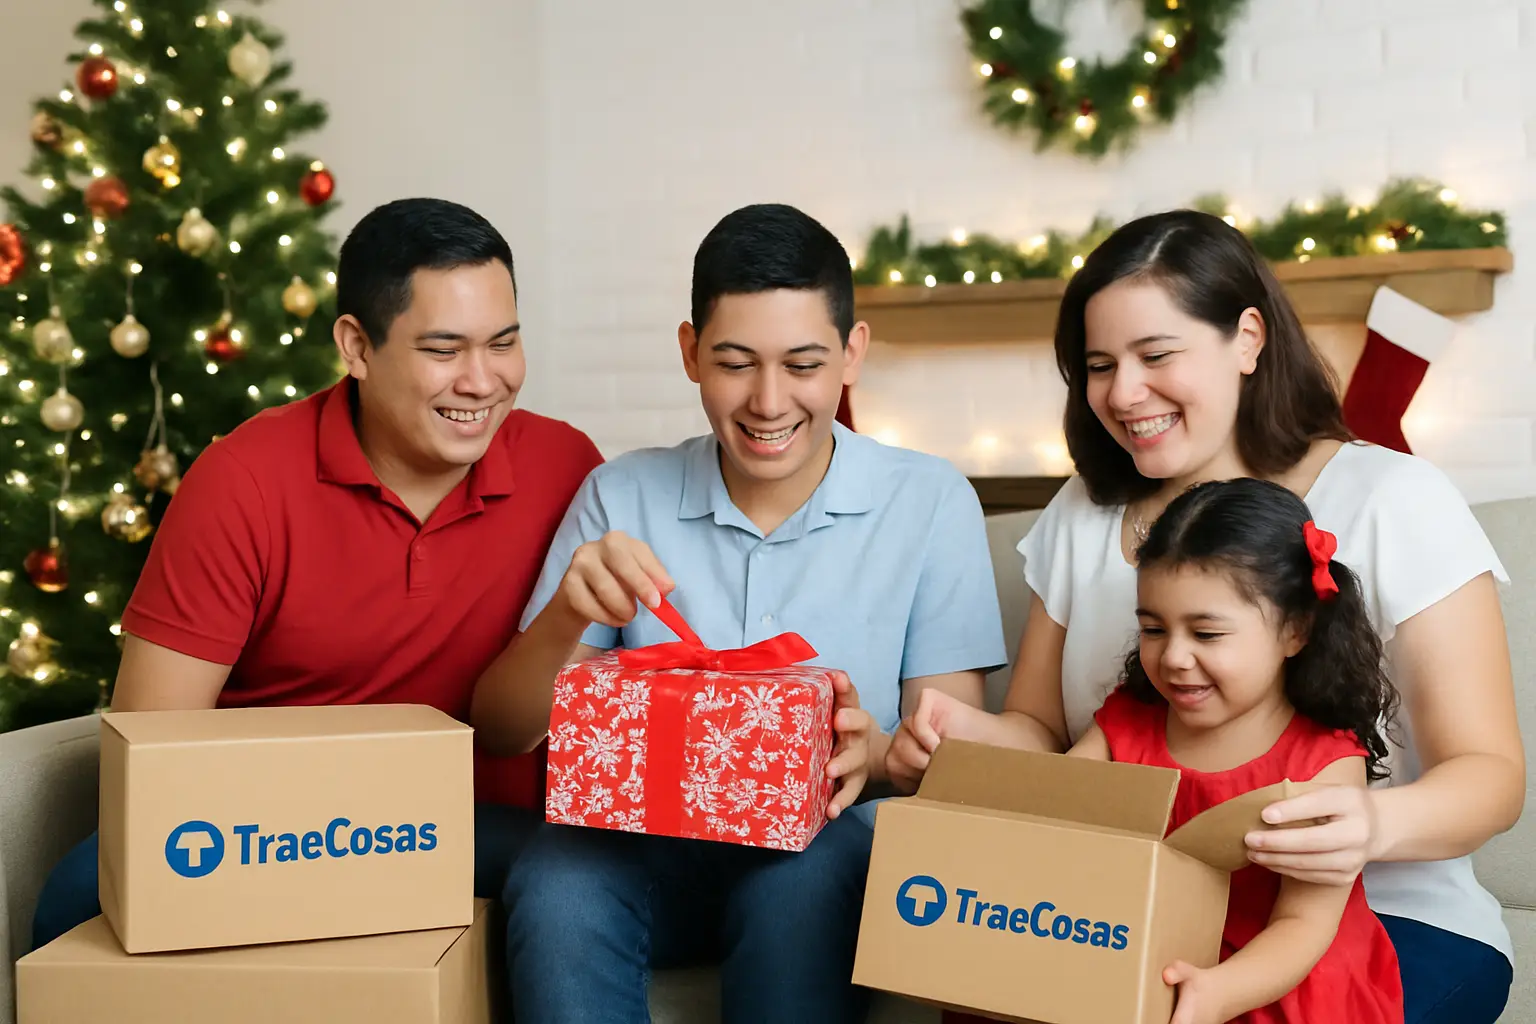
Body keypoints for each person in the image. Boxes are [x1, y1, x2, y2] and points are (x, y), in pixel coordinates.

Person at [889, 210, 1525, 1024]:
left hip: (1384, 922)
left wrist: (1368, 823)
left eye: (1156, 356)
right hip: (1151, 906)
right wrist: (961, 744)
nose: (1123, 393)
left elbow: (1490, 776)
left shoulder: (1394, 498)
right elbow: (1044, 738)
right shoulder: (1083, 511)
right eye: (1098, 365)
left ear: (1248, 338)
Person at [469, 202, 1008, 1024]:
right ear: (690, 353)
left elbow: (952, 756)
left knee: (799, 880)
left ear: (852, 354)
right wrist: (563, 621)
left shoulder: (930, 501)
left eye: (803, 364)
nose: (768, 400)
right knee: (556, 876)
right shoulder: (622, 494)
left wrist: (878, 755)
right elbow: (505, 731)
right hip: (651, 856)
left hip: (834, 857)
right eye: (734, 362)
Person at [30, 197, 602, 949]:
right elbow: (150, 750)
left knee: (590, 876)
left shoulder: (566, 467)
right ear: (356, 347)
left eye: (503, 343)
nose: (482, 380)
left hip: (480, 834)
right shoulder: (244, 481)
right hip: (275, 833)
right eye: (443, 350)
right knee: (80, 892)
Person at [1077, 477, 1403, 1023]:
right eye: (1153, 630)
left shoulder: (1322, 762)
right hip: (1150, 954)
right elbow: (1057, 821)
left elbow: (1303, 925)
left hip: (1272, 978)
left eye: (1206, 635)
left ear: (1295, 631)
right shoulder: (1126, 722)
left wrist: (1218, 992)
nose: (1174, 657)